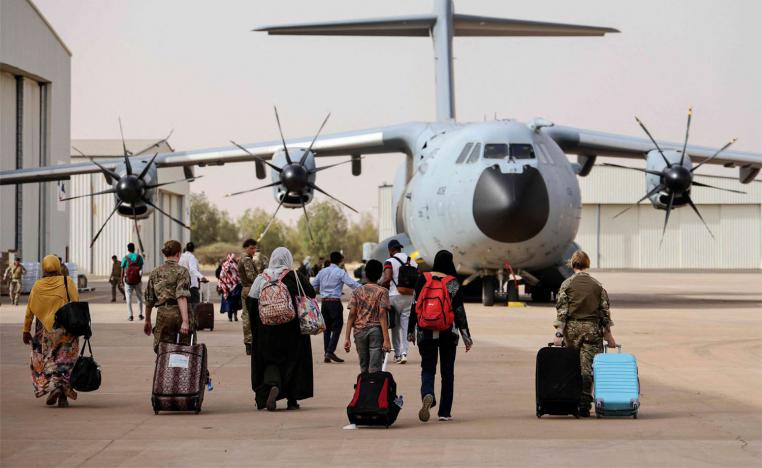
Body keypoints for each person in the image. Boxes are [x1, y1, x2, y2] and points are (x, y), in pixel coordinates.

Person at [408, 250, 473, 422]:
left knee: (428, 368)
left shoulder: (423, 278)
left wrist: (410, 331)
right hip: (448, 332)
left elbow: (415, 305)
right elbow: (459, 311)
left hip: (425, 330)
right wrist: (466, 336)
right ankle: (444, 412)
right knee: (447, 372)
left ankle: (428, 393)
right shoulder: (452, 283)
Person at [247, 247, 315, 411]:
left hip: (267, 329)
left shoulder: (262, 277)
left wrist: (258, 326)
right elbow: (311, 294)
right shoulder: (295, 276)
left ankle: (272, 385)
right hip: (293, 329)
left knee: (270, 361)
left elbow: (250, 302)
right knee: (294, 360)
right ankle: (292, 400)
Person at [552, 249, 617, 418]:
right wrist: (608, 335)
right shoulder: (597, 286)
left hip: (571, 332)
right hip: (592, 331)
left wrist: (559, 334)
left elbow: (562, 312)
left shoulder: (566, 285)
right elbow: (604, 313)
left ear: (572, 265)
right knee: (587, 370)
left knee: (571, 368)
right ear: (587, 264)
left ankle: (570, 401)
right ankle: (584, 404)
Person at [22, 255, 80, 407]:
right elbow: (75, 301)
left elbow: (30, 309)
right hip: (66, 329)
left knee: (49, 361)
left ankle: (54, 387)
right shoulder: (67, 282)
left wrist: (26, 330)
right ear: (58, 266)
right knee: (65, 361)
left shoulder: (37, 286)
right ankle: (62, 396)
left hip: (45, 332)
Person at [143, 240, 195, 352]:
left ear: (164, 254)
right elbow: (181, 296)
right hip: (180, 314)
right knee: (185, 350)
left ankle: (165, 369)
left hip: (163, 315)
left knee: (163, 350)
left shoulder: (155, 272)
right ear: (178, 253)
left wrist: (147, 320)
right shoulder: (182, 271)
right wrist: (185, 321)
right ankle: (181, 370)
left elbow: (149, 300)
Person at [311, 251, 361, 363]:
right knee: (337, 327)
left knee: (326, 328)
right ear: (341, 260)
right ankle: (330, 351)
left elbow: (312, 285)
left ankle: (327, 354)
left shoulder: (322, 272)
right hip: (334, 302)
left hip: (324, 303)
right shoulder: (340, 272)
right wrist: (366, 287)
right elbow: (352, 284)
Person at [343, 260, 392, 373]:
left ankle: (364, 389)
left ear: (366, 273)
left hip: (359, 332)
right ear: (380, 274)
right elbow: (382, 314)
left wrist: (347, 338)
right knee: (375, 368)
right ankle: (374, 389)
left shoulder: (357, 291)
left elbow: (351, 315)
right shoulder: (382, 291)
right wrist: (386, 339)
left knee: (364, 367)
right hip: (375, 331)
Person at [381, 239, 418, 364]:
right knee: (405, 325)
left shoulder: (389, 261)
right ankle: (404, 353)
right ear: (400, 248)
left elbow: (387, 278)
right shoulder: (412, 261)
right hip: (409, 296)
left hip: (394, 296)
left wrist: (378, 286)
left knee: (395, 327)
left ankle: (397, 354)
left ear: (391, 250)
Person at [238, 239, 264, 355]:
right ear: (246, 248)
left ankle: (249, 343)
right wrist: (261, 279)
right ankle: (250, 343)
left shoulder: (244, 258)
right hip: (250, 289)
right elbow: (251, 276)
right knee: (249, 317)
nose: (254, 250)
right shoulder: (247, 260)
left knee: (247, 315)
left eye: (255, 248)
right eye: (252, 248)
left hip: (246, 289)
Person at [179, 242, 208, 316]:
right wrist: (202, 277)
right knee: (195, 304)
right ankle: (193, 322)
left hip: (182, 285)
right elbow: (193, 269)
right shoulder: (192, 257)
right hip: (192, 285)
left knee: (184, 305)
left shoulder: (181, 257)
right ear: (193, 249)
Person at [121, 243, 145, 321]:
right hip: (137, 280)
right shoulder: (139, 257)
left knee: (128, 297)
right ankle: (140, 314)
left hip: (128, 281)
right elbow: (141, 269)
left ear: (128, 249)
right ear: (134, 248)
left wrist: (121, 280)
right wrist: (139, 278)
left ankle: (130, 316)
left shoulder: (125, 258)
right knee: (139, 297)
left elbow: (122, 270)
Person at [219, 253, 242, 322]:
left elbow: (221, 275)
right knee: (235, 301)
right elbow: (238, 275)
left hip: (227, 286)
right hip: (235, 286)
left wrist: (221, 285)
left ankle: (230, 317)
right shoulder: (235, 265)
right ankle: (235, 315)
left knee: (229, 302)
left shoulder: (224, 265)